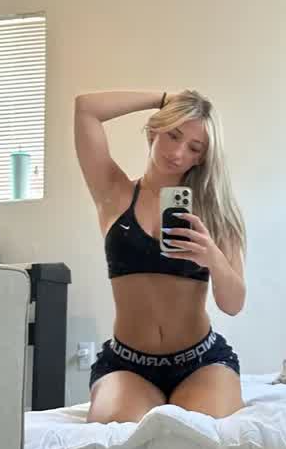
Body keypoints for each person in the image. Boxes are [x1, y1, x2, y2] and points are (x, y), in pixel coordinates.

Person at [74, 89, 247, 423]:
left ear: (202, 158)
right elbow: (86, 109)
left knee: (199, 434)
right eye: (173, 135)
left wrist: (212, 257)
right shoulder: (113, 192)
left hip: (202, 362)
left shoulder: (216, 212)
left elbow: (233, 304)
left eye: (194, 148)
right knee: (119, 438)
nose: (178, 153)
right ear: (155, 131)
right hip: (127, 365)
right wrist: (164, 98)